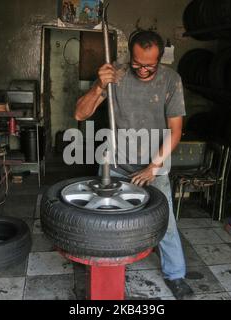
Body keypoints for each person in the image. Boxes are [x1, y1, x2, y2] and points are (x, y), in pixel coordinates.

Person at [75, 30, 193, 299]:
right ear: (131, 55)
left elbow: (175, 131)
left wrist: (153, 167)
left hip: (154, 165)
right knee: (102, 221)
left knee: (165, 222)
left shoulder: (171, 80)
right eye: (138, 63)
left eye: (149, 65)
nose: (142, 70)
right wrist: (98, 87)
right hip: (115, 163)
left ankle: (175, 275)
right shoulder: (115, 73)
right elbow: (79, 113)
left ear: (160, 59)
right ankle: (101, 270)